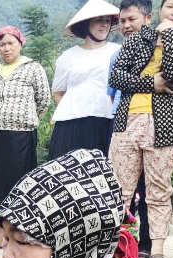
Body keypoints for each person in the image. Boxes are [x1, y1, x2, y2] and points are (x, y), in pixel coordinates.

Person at [108, 0, 173, 258]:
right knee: (120, 189)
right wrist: (152, 83)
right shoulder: (138, 39)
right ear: (160, 10)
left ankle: (157, 250)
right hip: (127, 122)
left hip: (164, 126)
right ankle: (118, 247)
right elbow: (116, 77)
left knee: (159, 189)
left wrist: (169, 35)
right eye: (170, 6)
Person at [0, 26, 50, 249]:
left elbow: (43, 100)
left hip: (21, 135)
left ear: (20, 44)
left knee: (18, 185)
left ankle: (17, 237)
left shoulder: (32, 68)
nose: (6, 48)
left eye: (11, 43)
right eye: (2, 44)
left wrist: (25, 118)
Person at [109, 0, 154, 258]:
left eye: (132, 19)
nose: (126, 26)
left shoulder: (157, 47)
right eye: (122, 21)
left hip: (151, 122)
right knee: (121, 188)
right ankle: (122, 245)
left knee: (149, 189)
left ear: (147, 18)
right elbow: (113, 87)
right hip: (121, 121)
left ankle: (146, 243)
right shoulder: (117, 54)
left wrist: (136, 82)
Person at [49, 0, 121, 159]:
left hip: (106, 121)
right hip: (70, 125)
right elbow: (58, 93)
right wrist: (76, 111)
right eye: (99, 20)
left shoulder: (118, 52)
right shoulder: (68, 56)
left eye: (108, 20)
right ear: (86, 24)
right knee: (67, 169)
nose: (105, 24)